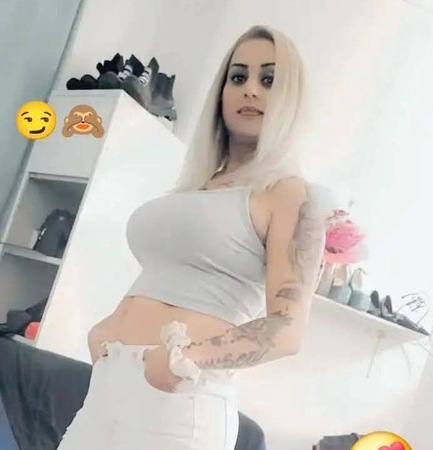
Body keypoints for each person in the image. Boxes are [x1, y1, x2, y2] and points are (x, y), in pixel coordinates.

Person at [56, 24, 325, 450]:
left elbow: (287, 329)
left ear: (290, 97)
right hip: (109, 389)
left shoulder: (289, 193)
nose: (250, 89)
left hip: (179, 402)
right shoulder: (199, 185)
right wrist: (103, 330)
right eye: (238, 76)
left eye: (269, 79)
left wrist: (188, 358)